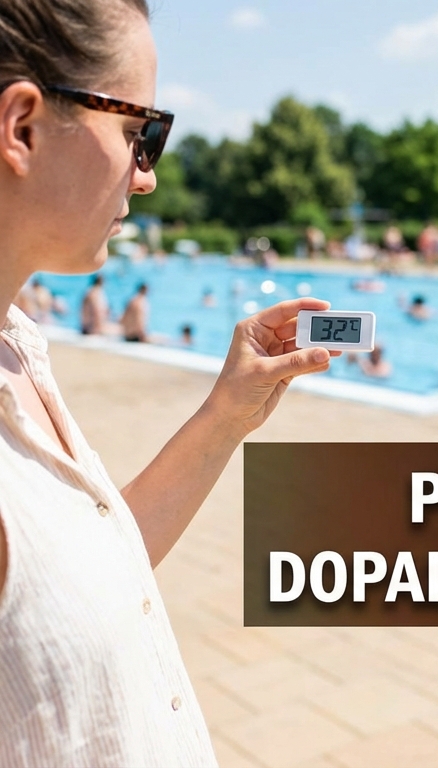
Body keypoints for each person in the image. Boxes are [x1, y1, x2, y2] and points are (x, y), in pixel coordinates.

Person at [0, 3, 335, 764]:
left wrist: (225, 416)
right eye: (138, 132)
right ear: (21, 127)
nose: (147, 175)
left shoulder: (16, 346)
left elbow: (76, 583)